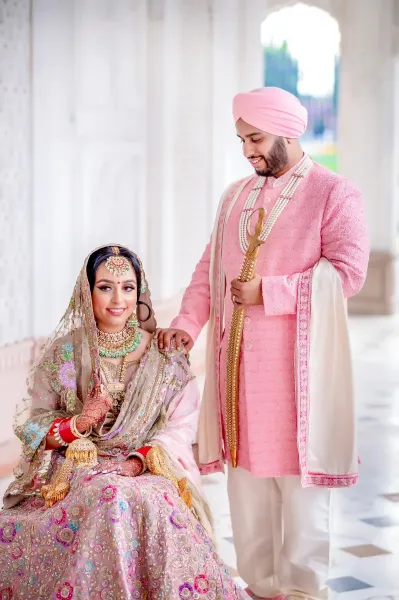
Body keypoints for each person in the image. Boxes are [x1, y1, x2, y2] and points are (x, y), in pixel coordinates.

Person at [156, 87, 370, 600]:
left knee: (299, 490)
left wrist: (269, 292)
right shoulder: (235, 196)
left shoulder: (334, 193)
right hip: (236, 372)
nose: (248, 150)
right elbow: (209, 270)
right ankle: (259, 586)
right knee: (246, 483)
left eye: (256, 138)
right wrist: (188, 323)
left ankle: (299, 590)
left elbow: (347, 274)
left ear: (287, 132)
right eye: (242, 140)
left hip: (295, 375)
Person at [0, 244, 248, 600]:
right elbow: (35, 427)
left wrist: (138, 461)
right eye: (105, 287)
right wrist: (80, 423)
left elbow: (181, 424)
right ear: (87, 291)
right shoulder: (65, 352)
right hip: (81, 465)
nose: (118, 298)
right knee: (108, 495)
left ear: (139, 291)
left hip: (147, 466)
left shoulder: (162, 354)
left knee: (140, 499)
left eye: (127, 287)